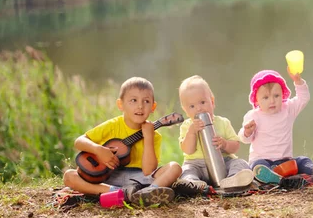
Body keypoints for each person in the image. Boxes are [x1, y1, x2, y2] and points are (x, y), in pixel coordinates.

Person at [63, 77, 181, 206]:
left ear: (153, 107)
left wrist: (148, 138)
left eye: (146, 101)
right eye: (133, 100)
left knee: (175, 167)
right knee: (69, 176)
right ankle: (118, 192)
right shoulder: (113, 125)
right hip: (109, 177)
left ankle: (149, 192)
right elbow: (79, 141)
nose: (140, 106)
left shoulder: (154, 135)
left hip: (140, 177)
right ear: (121, 104)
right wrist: (99, 150)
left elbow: (148, 170)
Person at [238, 69, 313, 185]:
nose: (272, 101)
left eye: (276, 95)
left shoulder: (288, 109)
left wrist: (298, 82)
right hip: (263, 161)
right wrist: (247, 132)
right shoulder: (253, 115)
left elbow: (303, 98)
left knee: (303, 161)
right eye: (266, 98)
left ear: (283, 94)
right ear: (256, 100)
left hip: (285, 162)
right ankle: (272, 177)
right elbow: (245, 139)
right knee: (257, 166)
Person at [172, 75, 254, 197]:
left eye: (203, 102)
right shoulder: (187, 126)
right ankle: (195, 184)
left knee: (240, 163)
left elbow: (236, 146)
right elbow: (188, 150)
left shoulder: (223, 122)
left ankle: (232, 180)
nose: (199, 108)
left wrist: (225, 144)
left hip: (222, 161)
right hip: (196, 164)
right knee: (186, 170)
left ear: (212, 101)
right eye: (192, 106)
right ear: (185, 110)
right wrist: (192, 132)